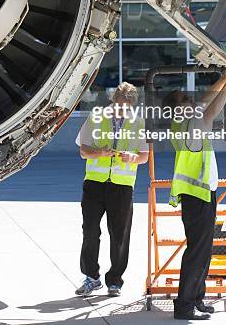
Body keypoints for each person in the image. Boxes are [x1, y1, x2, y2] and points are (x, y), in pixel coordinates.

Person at [163, 69, 226, 321]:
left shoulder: (192, 120)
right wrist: (224, 78)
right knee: (197, 252)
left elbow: (213, 110)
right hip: (196, 195)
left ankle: (197, 299)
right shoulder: (182, 121)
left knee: (204, 252)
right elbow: (206, 100)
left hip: (205, 192)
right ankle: (184, 307)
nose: (190, 100)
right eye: (184, 99)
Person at [75, 82, 149, 297]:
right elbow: (83, 151)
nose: (121, 110)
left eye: (125, 107)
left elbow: (144, 156)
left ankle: (115, 281)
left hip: (122, 186)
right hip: (94, 184)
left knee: (119, 236)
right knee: (90, 232)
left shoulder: (139, 122)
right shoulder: (96, 116)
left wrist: (133, 157)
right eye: (118, 105)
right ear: (113, 101)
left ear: (132, 105)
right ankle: (91, 277)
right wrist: (100, 153)